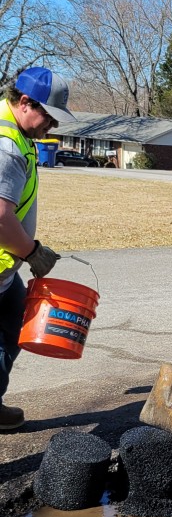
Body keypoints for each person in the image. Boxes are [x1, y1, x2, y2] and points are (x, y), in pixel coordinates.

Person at [0, 67, 76, 430]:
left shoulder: (18, 133)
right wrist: (32, 252)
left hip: (4, 270)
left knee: (16, 322)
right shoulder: (6, 145)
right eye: (49, 116)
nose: (53, 126)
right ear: (26, 102)